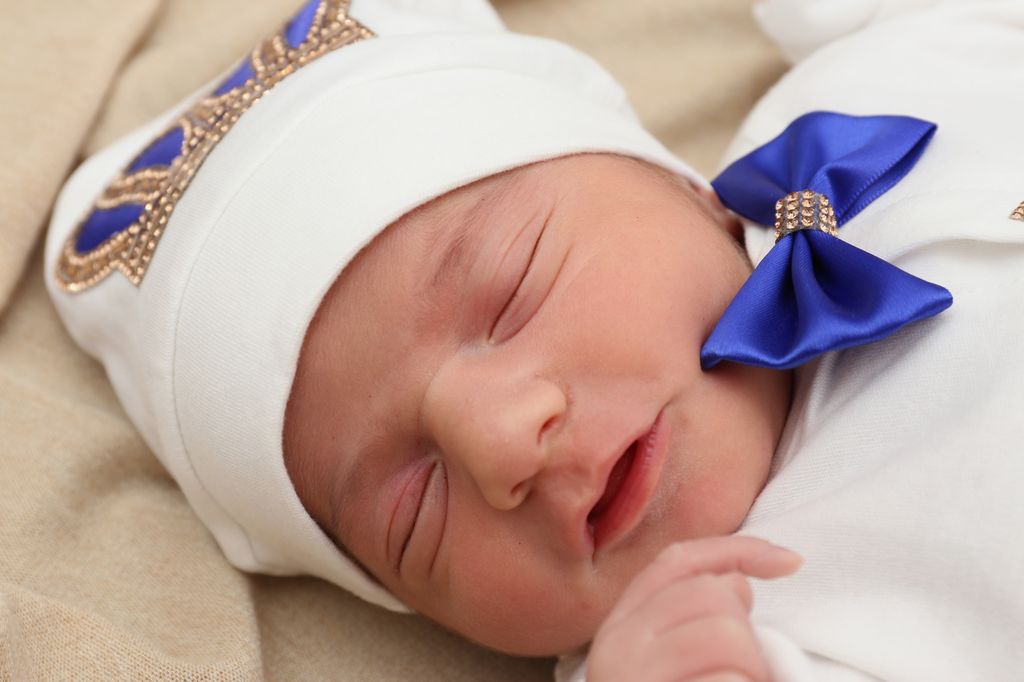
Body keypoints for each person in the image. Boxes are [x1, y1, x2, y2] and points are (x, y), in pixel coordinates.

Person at [43, 0, 1024, 680]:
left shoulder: (868, 91)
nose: (502, 440)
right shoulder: (740, 632)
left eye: (515, 289)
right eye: (413, 511)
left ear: (682, 188)